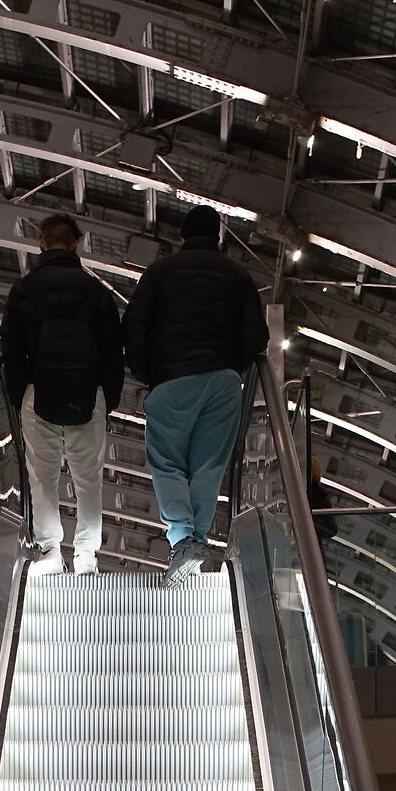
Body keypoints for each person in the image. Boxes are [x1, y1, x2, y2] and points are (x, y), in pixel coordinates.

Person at [122, 204, 268, 585]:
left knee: (167, 462)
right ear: (218, 236)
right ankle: (194, 543)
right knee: (208, 465)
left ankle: (183, 539)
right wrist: (230, 364)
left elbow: (134, 326)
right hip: (222, 381)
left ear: (182, 236)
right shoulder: (239, 275)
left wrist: (145, 370)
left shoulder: (158, 272)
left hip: (172, 378)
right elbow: (257, 336)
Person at [0, 211, 124, 575]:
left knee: (42, 475)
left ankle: (50, 551)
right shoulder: (96, 291)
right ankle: (86, 555)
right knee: (89, 476)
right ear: (77, 243)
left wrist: (19, 395)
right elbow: (113, 351)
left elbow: (12, 351)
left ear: (40, 244)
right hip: (89, 393)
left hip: (38, 393)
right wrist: (106, 397)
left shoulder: (23, 290)